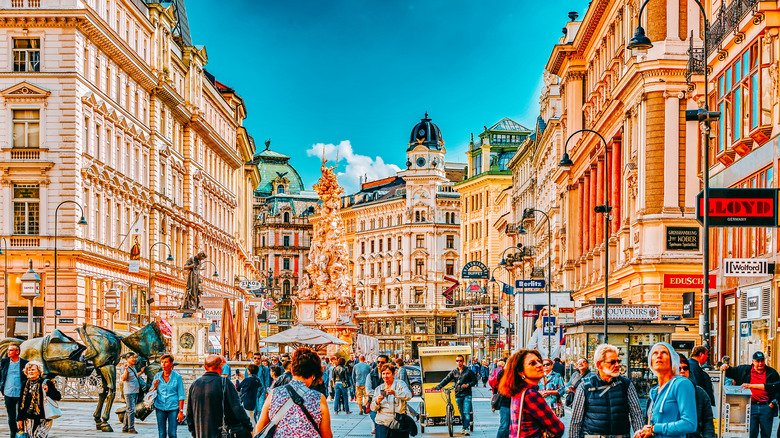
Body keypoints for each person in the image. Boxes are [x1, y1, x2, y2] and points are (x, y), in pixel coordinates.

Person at [255, 347, 333, 438]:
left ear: (292, 370)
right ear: (313, 374)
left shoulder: (274, 394)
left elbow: (260, 428)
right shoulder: (318, 398)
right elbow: (327, 435)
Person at [568, 344, 644, 438]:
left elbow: (636, 414)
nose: (617, 365)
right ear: (599, 364)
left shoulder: (626, 384)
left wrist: (640, 433)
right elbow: (576, 420)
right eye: (612, 362)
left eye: (618, 361)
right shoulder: (585, 386)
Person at [498, 349, 564, 438]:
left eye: (539, 361)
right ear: (521, 372)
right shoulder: (531, 395)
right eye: (533, 363)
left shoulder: (520, 391)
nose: (540, 365)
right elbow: (558, 428)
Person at [636, 343, 696, 438]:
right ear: (650, 362)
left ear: (672, 360)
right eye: (655, 353)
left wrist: (655, 428)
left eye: (664, 353)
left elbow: (689, 424)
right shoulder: (654, 391)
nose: (659, 356)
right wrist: (644, 432)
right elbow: (653, 425)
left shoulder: (681, 384)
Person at [187, 355, 251, 438]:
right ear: (220, 366)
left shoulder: (194, 385)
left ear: (205, 367)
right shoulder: (224, 383)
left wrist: (194, 433)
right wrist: (248, 425)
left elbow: (189, 414)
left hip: (201, 433)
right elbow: (237, 408)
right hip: (221, 433)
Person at [722, 351, 780, 438]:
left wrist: (772, 402)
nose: (760, 363)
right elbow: (731, 372)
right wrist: (725, 367)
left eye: (762, 361)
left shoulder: (772, 372)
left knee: (766, 434)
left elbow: (777, 388)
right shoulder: (744, 370)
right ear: (753, 361)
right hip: (750, 406)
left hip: (766, 407)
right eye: (758, 361)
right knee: (751, 433)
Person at [434, 355, 478, 435]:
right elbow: (446, 379)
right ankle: (464, 427)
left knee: (466, 412)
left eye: (460, 360)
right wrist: (438, 386)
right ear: (456, 362)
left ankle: (466, 428)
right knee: (461, 412)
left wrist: (468, 384)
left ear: (463, 361)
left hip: (467, 394)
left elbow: (474, 381)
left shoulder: (468, 371)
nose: (459, 362)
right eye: (457, 361)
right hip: (458, 394)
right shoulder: (454, 372)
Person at [17, 361, 61, 438]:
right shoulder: (25, 384)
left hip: (44, 418)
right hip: (28, 418)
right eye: (28, 370)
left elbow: (58, 397)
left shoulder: (46, 383)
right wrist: (20, 419)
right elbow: (21, 403)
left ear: (39, 371)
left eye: (33, 370)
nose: (30, 372)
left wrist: (48, 391)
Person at [371, 364, 412, 438]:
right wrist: (377, 401)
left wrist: (394, 392)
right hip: (382, 423)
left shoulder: (400, 384)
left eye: (388, 373)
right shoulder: (378, 388)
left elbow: (408, 396)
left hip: (398, 423)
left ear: (393, 374)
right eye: (383, 373)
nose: (385, 376)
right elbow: (373, 408)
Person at [679, 356, 716, 438]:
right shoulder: (661, 392)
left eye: (685, 368)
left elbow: (708, 424)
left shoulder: (700, 393)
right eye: (679, 369)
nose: (682, 371)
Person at [151, 354, 185, 438]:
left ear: (171, 363)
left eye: (166, 362)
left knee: (172, 433)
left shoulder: (177, 377)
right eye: (162, 362)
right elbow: (151, 392)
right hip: (160, 407)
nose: (163, 364)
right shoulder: (157, 376)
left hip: (173, 408)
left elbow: (181, 395)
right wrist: (154, 386)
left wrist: (181, 411)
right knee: (161, 433)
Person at [1, 344, 28, 438]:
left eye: (11, 350)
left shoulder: (25, 363)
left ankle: (22, 433)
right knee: (11, 416)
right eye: (8, 350)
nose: (8, 352)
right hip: (8, 392)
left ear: (17, 352)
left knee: (21, 415)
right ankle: (13, 434)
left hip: (21, 393)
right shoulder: (4, 361)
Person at [121, 352, 145, 434]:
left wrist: (141, 372)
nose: (134, 359)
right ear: (128, 359)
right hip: (129, 392)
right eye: (132, 358)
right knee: (131, 410)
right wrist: (126, 370)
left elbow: (134, 376)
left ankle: (125, 427)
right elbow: (124, 378)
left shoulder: (133, 367)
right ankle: (131, 428)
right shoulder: (125, 367)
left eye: (135, 357)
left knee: (129, 410)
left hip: (135, 391)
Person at [366, 355, 390, 434]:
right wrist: (381, 394)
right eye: (378, 362)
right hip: (374, 403)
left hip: (387, 405)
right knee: (378, 426)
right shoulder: (370, 375)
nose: (379, 364)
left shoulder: (391, 375)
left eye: (382, 362)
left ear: (386, 363)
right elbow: (368, 391)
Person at [491, 363, 512, 438]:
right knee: (505, 425)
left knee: (511, 426)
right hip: (506, 403)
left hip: (515, 403)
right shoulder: (503, 373)